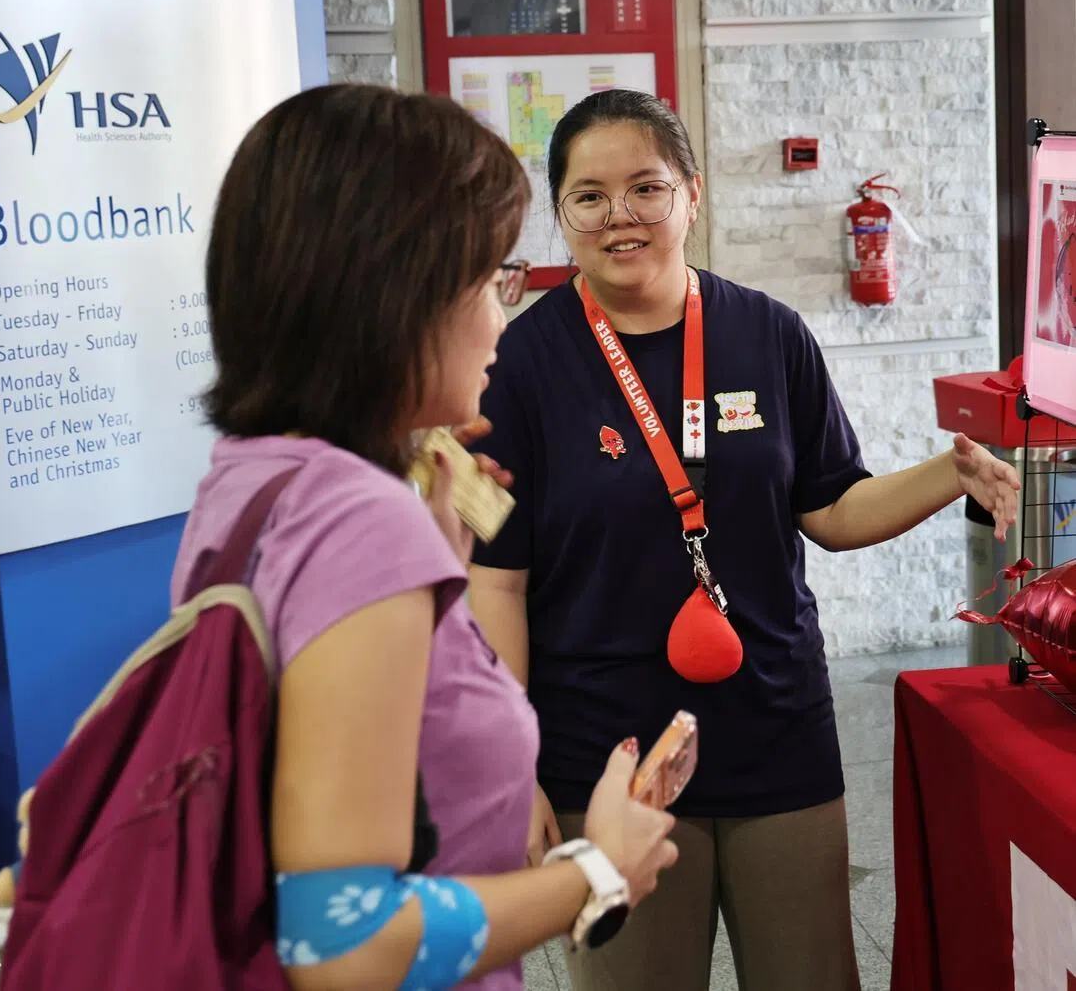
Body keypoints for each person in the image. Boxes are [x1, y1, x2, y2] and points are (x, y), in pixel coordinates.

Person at [467, 88, 1020, 991]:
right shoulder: (521, 366)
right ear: (560, 213)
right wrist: (514, 759)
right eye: (589, 197)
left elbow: (834, 509)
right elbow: (497, 584)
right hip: (606, 751)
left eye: (646, 188)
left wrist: (948, 473)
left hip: (775, 725)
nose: (620, 218)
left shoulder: (768, 334)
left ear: (692, 193)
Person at [170, 84, 678, 991]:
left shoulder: (253, 475)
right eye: (489, 281)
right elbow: (342, 942)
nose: (500, 313)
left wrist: (433, 556)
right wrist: (594, 873)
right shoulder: (357, 522)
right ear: (396, 295)